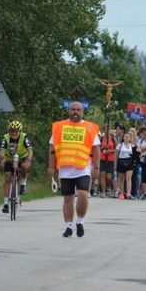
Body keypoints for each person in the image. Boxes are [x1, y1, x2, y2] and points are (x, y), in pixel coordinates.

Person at [48, 102, 100, 238]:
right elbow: (52, 148)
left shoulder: (89, 127)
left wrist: (96, 167)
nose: (75, 112)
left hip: (83, 168)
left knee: (83, 194)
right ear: (69, 111)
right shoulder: (59, 127)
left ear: (82, 112)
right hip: (65, 168)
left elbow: (96, 149)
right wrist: (51, 166)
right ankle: (68, 226)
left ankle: (80, 222)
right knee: (68, 199)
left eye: (78, 110)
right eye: (73, 109)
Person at [0, 120, 33, 213]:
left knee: (25, 167)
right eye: (12, 131)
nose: (14, 133)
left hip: (22, 158)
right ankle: (6, 204)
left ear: (20, 131)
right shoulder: (6, 138)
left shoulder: (24, 137)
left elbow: (30, 151)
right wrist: (2, 158)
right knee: (7, 177)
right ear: (9, 131)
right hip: (9, 159)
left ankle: (23, 184)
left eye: (16, 131)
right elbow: (2, 151)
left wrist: (28, 160)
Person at [114, 132, 137, 200]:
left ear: (130, 138)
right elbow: (116, 156)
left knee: (128, 178)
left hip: (130, 162)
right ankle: (121, 193)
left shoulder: (132, 145)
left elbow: (136, 154)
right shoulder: (119, 145)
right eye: (125, 136)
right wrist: (115, 164)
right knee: (121, 179)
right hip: (121, 161)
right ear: (123, 138)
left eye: (128, 137)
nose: (127, 138)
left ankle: (128, 193)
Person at [98, 126, 115, 197]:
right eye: (105, 129)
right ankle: (103, 192)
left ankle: (109, 187)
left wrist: (109, 151)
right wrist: (103, 147)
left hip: (110, 159)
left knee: (108, 177)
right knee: (102, 175)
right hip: (102, 159)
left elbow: (116, 149)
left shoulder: (113, 139)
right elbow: (98, 149)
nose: (107, 131)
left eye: (108, 129)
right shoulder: (101, 139)